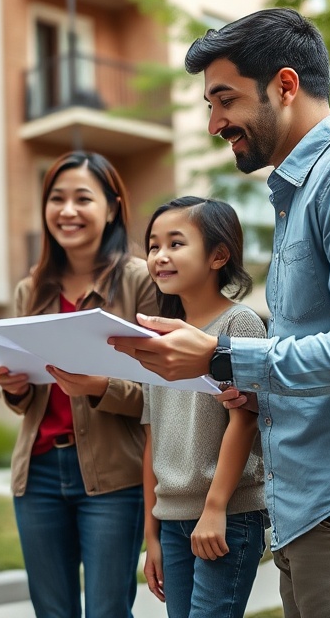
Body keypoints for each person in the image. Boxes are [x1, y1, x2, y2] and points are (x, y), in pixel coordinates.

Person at [110, 8, 330, 618]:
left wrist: (221, 355)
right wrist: (252, 389)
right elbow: (321, 357)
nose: (215, 123)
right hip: (312, 506)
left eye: (225, 100)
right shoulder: (302, 194)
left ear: (285, 86)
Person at [0, 151, 157, 618]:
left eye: (82, 198)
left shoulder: (140, 281)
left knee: (107, 610)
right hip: (39, 474)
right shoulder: (32, 289)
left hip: (112, 478)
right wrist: (16, 386)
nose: (67, 211)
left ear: (111, 207)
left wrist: (99, 386)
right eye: (56, 199)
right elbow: (30, 403)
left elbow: (162, 392)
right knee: (52, 611)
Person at [140, 197, 267, 618]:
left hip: (226, 515)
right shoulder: (156, 342)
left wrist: (214, 509)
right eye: (153, 245)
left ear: (218, 255)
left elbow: (245, 420)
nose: (160, 256)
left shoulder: (239, 325)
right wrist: (152, 536)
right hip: (171, 520)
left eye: (176, 243)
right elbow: (153, 437)